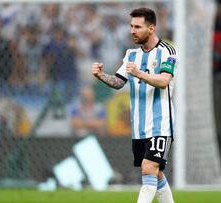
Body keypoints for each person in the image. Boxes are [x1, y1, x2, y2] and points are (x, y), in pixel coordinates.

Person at [91, 7, 176, 203]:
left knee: (149, 168)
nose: (132, 31)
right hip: (139, 127)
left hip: (160, 124)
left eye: (138, 27)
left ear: (151, 28)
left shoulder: (167, 51)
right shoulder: (131, 55)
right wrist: (101, 75)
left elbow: (164, 81)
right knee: (155, 173)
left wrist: (140, 74)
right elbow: (119, 82)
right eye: (131, 26)